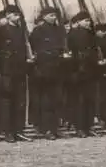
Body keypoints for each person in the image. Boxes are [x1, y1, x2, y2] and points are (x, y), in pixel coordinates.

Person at [0, 5, 32, 142]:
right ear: (8, 15)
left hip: (20, 70)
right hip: (6, 71)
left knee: (20, 101)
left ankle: (19, 130)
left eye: (18, 15)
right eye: (14, 15)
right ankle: (8, 131)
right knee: (7, 101)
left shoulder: (20, 31)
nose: (17, 17)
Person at [29, 7, 68, 140]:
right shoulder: (38, 31)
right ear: (44, 16)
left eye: (55, 15)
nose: (53, 17)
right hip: (45, 70)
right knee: (46, 101)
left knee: (57, 100)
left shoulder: (59, 30)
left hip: (58, 69)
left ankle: (55, 128)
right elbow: (36, 50)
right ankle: (46, 129)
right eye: (51, 15)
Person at [66, 11, 99, 137]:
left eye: (89, 20)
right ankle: (79, 127)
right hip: (78, 71)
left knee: (89, 100)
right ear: (78, 22)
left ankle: (88, 126)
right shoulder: (72, 34)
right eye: (85, 20)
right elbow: (70, 53)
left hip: (90, 70)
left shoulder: (91, 34)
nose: (88, 22)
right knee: (79, 101)